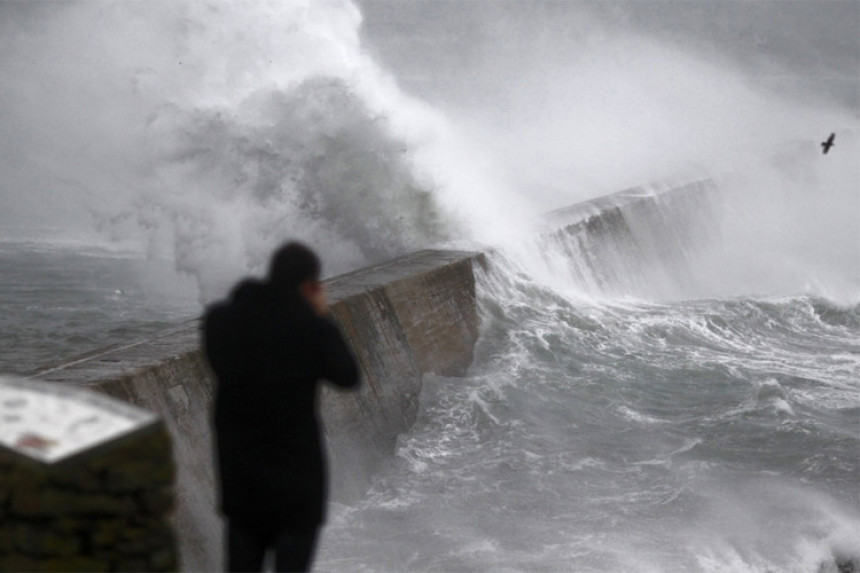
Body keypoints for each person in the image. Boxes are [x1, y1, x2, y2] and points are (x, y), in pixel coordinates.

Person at [203, 242, 360, 572]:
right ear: (310, 285)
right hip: (297, 488)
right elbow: (347, 375)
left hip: (243, 485)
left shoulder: (221, 321)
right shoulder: (313, 329)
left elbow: (223, 354)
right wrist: (319, 315)